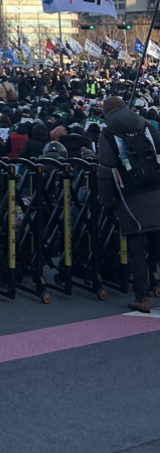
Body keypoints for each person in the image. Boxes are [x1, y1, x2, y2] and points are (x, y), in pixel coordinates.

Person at [97, 94, 160, 313]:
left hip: (130, 196)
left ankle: (142, 297)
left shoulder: (108, 134)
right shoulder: (148, 126)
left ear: (107, 113)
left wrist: (106, 202)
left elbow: (105, 171)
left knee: (136, 246)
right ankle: (156, 282)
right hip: (157, 191)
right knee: (157, 242)